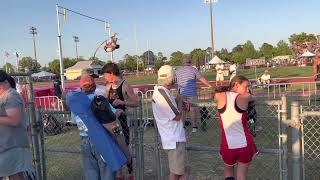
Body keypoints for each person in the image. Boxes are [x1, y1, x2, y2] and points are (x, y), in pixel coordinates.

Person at [66, 75, 124, 180]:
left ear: (81, 88)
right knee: (107, 172)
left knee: (91, 174)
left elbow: (75, 121)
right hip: (102, 139)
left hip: (85, 141)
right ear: (94, 87)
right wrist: (120, 111)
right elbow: (114, 114)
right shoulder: (99, 100)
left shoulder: (76, 103)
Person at [214, 75, 258, 180]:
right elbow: (253, 97)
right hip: (244, 144)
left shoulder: (219, 95)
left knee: (228, 171)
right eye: (246, 86)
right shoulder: (245, 97)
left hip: (228, 144)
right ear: (236, 84)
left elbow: (216, 95)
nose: (247, 89)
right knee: (241, 175)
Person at [102, 62, 139, 179]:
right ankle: (119, 173)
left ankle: (131, 173)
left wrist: (123, 103)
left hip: (123, 121)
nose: (104, 77)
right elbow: (106, 103)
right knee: (114, 146)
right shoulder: (108, 87)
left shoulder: (125, 85)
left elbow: (136, 103)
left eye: (105, 75)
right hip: (112, 122)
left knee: (125, 146)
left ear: (112, 73)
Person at [152, 65, 188, 180]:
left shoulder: (164, 92)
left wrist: (178, 99)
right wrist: (181, 100)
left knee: (180, 171)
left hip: (172, 137)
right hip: (174, 138)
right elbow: (177, 116)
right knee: (179, 172)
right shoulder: (162, 94)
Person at [0, 70, 34, 180]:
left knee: (16, 175)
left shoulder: (11, 95)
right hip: (5, 146)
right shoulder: (3, 96)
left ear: (5, 82)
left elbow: (14, 120)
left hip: (13, 146)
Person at [175, 55, 212, 133]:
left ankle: (183, 126)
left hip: (182, 93)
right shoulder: (193, 69)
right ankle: (194, 127)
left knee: (183, 110)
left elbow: (176, 82)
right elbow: (201, 78)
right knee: (192, 109)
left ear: (183, 62)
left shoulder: (177, 70)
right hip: (191, 93)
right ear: (190, 62)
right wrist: (209, 85)